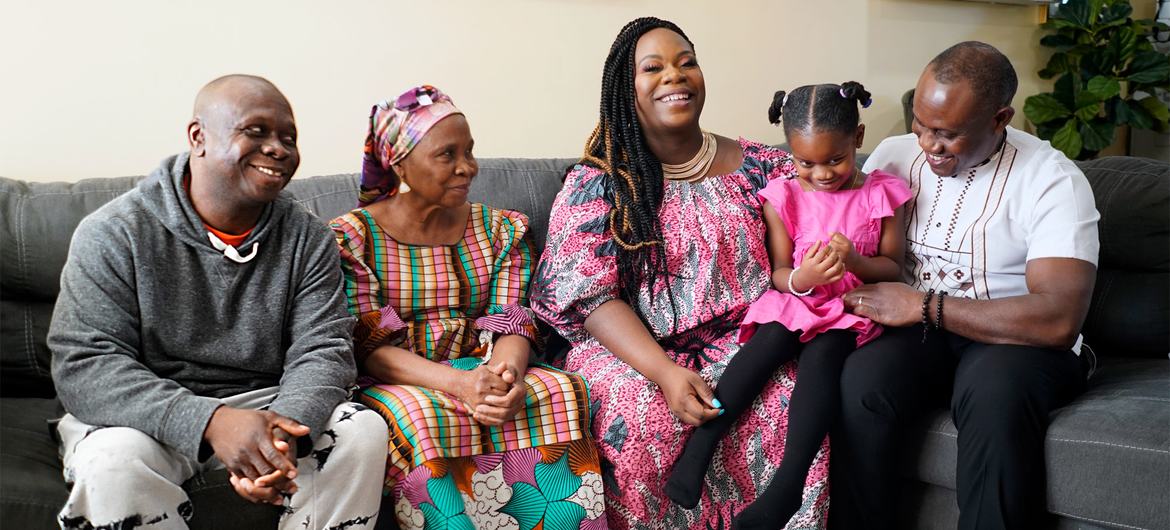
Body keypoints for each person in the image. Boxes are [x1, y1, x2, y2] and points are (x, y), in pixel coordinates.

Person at [48, 75, 388, 530]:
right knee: (113, 462)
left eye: (289, 138)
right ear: (198, 137)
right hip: (143, 414)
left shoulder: (308, 237)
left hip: (268, 404)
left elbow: (324, 347)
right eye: (256, 131)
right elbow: (85, 364)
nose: (279, 148)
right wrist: (213, 423)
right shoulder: (113, 232)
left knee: (361, 432)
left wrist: (278, 438)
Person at [530, 17, 829, 530]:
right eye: (654, 68)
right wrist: (665, 373)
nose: (675, 75)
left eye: (686, 62)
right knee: (647, 418)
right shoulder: (601, 180)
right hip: (634, 351)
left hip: (750, 341)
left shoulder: (764, 167)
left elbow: (823, 215)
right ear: (628, 89)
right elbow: (590, 297)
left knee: (791, 405)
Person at [830, 42, 1100, 530]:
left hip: (1019, 340)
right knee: (862, 380)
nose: (928, 145)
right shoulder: (893, 157)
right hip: (921, 333)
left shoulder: (1053, 180)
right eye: (920, 124)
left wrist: (924, 305)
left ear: (1000, 119)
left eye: (948, 134)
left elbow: (1058, 319)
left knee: (994, 389)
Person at [330, 85, 604, 530]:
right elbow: (370, 347)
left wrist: (504, 376)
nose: (467, 167)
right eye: (447, 154)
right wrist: (460, 385)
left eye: (470, 151)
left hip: (489, 365)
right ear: (400, 162)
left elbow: (513, 317)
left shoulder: (498, 228)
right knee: (419, 415)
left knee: (554, 390)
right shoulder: (352, 239)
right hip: (404, 375)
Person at [665, 82, 912, 529]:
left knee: (824, 357)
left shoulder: (882, 194)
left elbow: (893, 267)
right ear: (790, 152)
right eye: (805, 162)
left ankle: (789, 486)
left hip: (849, 310)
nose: (820, 173)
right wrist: (805, 279)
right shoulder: (783, 195)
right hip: (800, 300)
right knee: (766, 343)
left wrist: (855, 261)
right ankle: (702, 443)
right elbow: (779, 272)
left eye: (835, 160)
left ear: (857, 138)